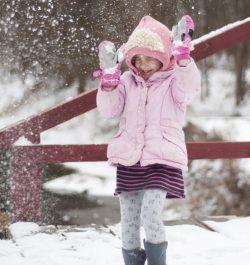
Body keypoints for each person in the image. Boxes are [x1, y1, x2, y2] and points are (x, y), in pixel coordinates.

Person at [95, 15, 201, 265]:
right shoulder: (126, 82)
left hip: (162, 158)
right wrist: (109, 83)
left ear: (164, 54)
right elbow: (109, 110)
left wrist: (184, 58)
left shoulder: (175, 80)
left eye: (149, 57)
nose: (142, 64)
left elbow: (191, 89)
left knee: (150, 215)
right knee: (129, 222)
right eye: (137, 58)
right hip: (130, 160)